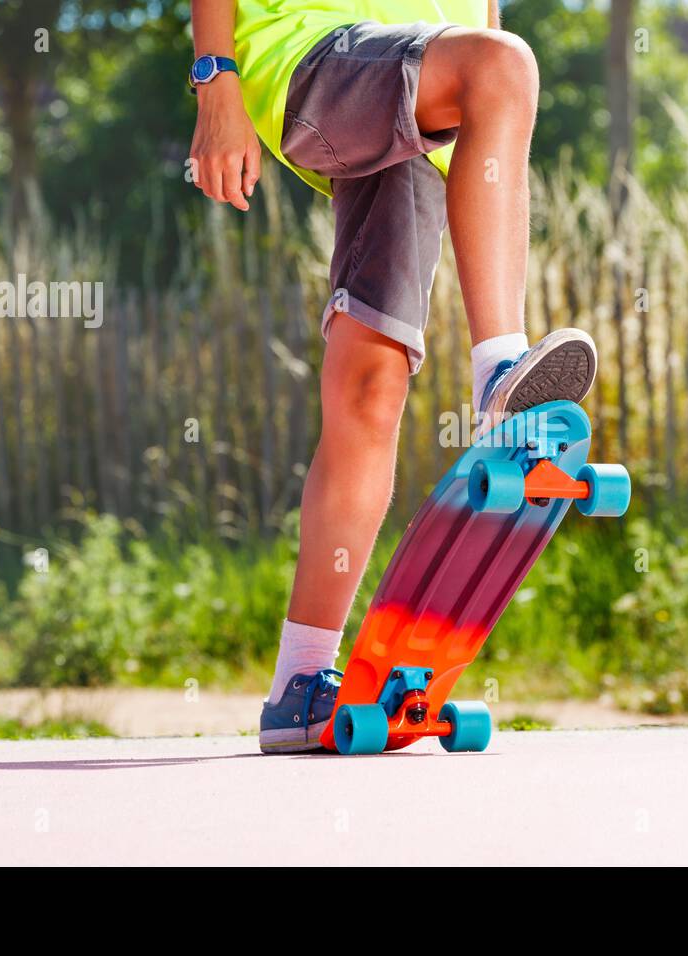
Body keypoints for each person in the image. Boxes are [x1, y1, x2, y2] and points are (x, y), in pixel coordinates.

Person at [188, 0, 598, 752]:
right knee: (504, 63)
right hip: (317, 51)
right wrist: (216, 79)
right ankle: (500, 374)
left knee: (370, 388)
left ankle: (300, 686)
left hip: (420, 105)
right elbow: (489, 52)